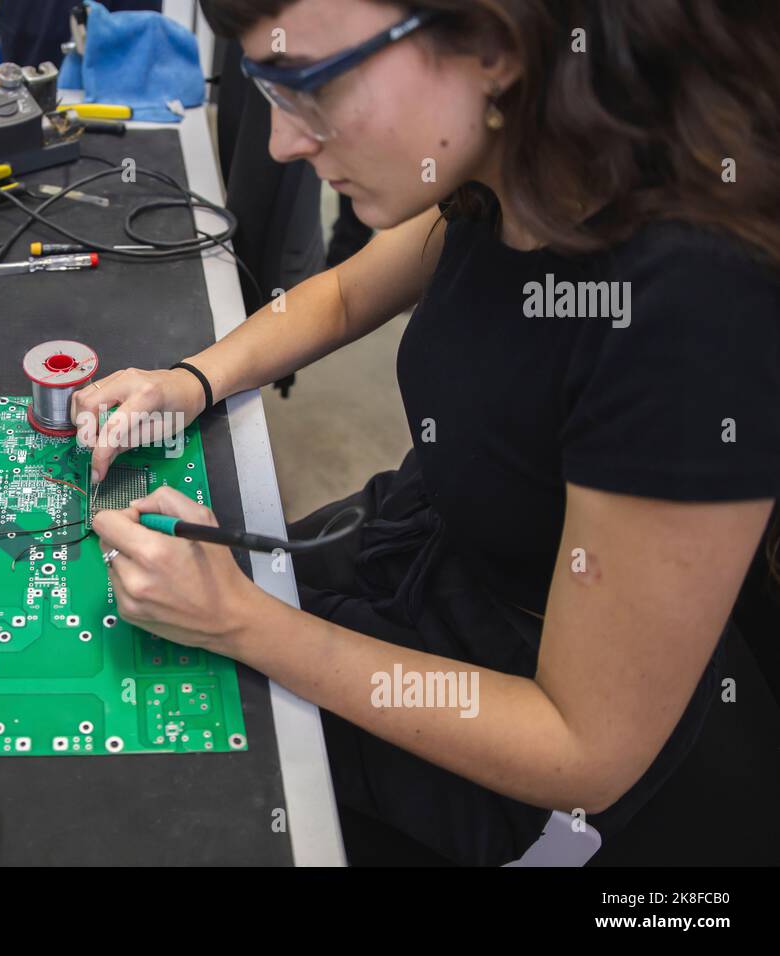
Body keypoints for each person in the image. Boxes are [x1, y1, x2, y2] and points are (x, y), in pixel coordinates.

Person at [75, 0, 780, 865]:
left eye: (309, 87)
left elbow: (582, 750)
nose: (281, 146)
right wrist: (190, 381)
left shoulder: (693, 310)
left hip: (525, 709)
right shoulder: (506, 164)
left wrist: (242, 623)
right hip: (428, 544)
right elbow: (339, 294)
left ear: (491, 46)